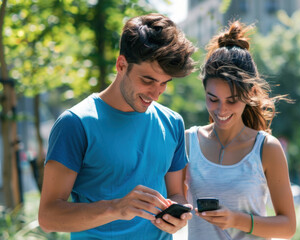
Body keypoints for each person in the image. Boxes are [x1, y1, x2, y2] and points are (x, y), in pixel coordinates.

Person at [38, 13, 196, 240]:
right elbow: (48, 217)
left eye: (164, 83)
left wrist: (176, 218)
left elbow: (176, 195)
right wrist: (116, 208)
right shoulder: (75, 124)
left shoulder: (172, 123)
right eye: (148, 80)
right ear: (121, 64)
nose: (156, 94)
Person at [184, 21, 296, 240]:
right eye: (212, 99)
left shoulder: (266, 148)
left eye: (232, 100)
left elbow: (288, 226)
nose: (221, 109)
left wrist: (237, 220)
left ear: (250, 93)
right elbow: (175, 198)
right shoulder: (187, 141)